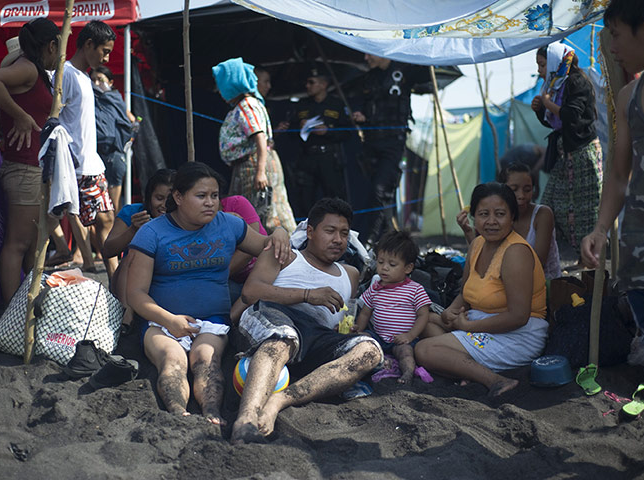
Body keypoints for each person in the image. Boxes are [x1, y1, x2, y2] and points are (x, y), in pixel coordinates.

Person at [127, 162, 290, 424]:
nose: (210, 203)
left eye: (214, 196)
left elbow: (268, 247)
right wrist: (170, 320)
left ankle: (212, 413)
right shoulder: (152, 232)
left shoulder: (228, 225)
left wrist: (280, 231)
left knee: (206, 360)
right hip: (161, 321)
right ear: (178, 197)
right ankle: (179, 413)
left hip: (213, 320)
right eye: (201, 196)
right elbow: (135, 294)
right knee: (173, 359)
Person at [582, 0, 644, 431]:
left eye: (616, 34)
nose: (610, 46)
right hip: (640, 250)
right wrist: (601, 228)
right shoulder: (628, 97)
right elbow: (619, 174)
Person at [229, 198, 383, 444]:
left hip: (316, 336)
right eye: (330, 231)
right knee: (283, 337)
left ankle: (280, 401)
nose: (338, 239)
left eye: (344, 233)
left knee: (370, 351)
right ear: (310, 232)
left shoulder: (350, 274)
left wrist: (347, 328)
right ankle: (246, 420)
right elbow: (250, 292)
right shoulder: (285, 255)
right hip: (274, 315)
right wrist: (308, 296)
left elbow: (343, 315)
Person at [415, 183, 548, 396]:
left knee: (424, 350)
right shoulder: (477, 244)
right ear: (474, 217)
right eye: (484, 214)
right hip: (482, 321)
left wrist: (470, 326)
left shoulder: (516, 253)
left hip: (518, 335)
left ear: (512, 217)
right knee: (424, 320)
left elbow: (518, 316)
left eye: (500, 214)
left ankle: (496, 380)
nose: (492, 221)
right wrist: (452, 310)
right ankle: (467, 370)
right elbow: (466, 292)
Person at [0, 18, 71, 303]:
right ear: (51, 45)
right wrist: (19, 115)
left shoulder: (34, 71)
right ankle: (10, 313)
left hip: (32, 168)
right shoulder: (28, 67)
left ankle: (25, 306)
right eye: (60, 47)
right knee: (17, 245)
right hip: (24, 169)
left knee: (31, 245)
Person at [531, 43, 602, 259]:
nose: (539, 71)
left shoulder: (576, 82)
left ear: (554, 62)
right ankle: (544, 257)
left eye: (542, 65)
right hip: (565, 156)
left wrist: (547, 103)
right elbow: (555, 123)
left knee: (586, 211)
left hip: (582, 155)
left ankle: (589, 262)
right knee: (550, 204)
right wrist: (540, 109)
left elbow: (571, 116)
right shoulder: (555, 85)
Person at [213, 57, 297, 234]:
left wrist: (259, 172)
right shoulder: (244, 106)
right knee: (257, 209)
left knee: (262, 210)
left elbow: (259, 136)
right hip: (249, 163)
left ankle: (279, 250)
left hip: (253, 164)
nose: (219, 91)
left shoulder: (247, 105)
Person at [61, 20, 118, 277]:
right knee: (99, 220)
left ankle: (112, 275)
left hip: (91, 162)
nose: (106, 57)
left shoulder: (83, 76)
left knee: (104, 220)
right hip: (79, 163)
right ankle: (111, 276)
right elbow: (55, 118)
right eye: (104, 50)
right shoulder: (66, 74)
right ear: (88, 44)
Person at [457, 163, 561, 279]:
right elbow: (482, 258)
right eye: (514, 190)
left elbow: (538, 263)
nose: (521, 195)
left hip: (541, 282)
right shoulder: (498, 219)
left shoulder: (542, 214)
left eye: (527, 189)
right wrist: (468, 233)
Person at [353, 230, 431, 384]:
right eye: (380, 262)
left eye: (392, 264)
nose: (384, 268)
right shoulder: (374, 287)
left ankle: (407, 373)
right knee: (362, 340)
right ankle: (372, 366)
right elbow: (365, 313)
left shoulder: (415, 289)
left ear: (408, 268)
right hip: (378, 336)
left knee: (406, 353)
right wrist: (359, 329)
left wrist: (410, 335)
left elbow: (423, 315)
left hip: (402, 339)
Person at [103, 168, 175, 332]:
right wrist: (132, 231)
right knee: (133, 257)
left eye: (169, 199)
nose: (163, 205)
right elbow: (107, 251)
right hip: (128, 284)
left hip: (165, 284)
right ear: (149, 198)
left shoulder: (184, 218)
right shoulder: (133, 213)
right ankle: (126, 322)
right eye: (159, 198)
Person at [351, 53, 412, 246]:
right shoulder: (369, 78)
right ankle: (386, 238)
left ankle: (370, 239)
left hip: (393, 143)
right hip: (371, 143)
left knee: (380, 190)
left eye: (368, 53)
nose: (365, 58)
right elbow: (362, 104)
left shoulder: (405, 70)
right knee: (375, 194)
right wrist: (360, 114)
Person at [280, 65, 350, 216]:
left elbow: (347, 132)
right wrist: (299, 126)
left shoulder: (336, 104)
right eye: (307, 82)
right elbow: (290, 132)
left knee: (335, 201)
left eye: (311, 82)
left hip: (329, 158)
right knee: (305, 200)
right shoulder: (302, 104)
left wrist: (328, 131)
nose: (307, 86)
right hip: (307, 158)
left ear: (323, 84)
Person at [91, 65, 135, 215]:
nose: (96, 84)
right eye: (93, 80)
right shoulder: (89, 99)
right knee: (96, 205)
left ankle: (115, 236)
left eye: (100, 80)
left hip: (114, 155)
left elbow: (132, 122)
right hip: (95, 155)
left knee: (112, 205)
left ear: (110, 82)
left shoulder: (115, 98)